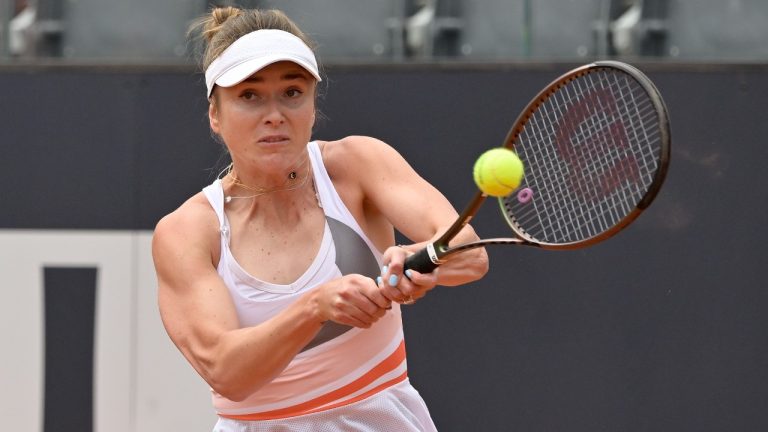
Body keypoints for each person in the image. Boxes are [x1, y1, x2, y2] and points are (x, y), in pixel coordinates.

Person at [152, 6, 488, 431]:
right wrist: (315, 306)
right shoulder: (187, 231)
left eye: (292, 92)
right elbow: (226, 372)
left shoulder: (357, 163)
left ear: (312, 105)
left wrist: (424, 260)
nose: (274, 113)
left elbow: (470, 254)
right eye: (249, 95)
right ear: (215, 115)